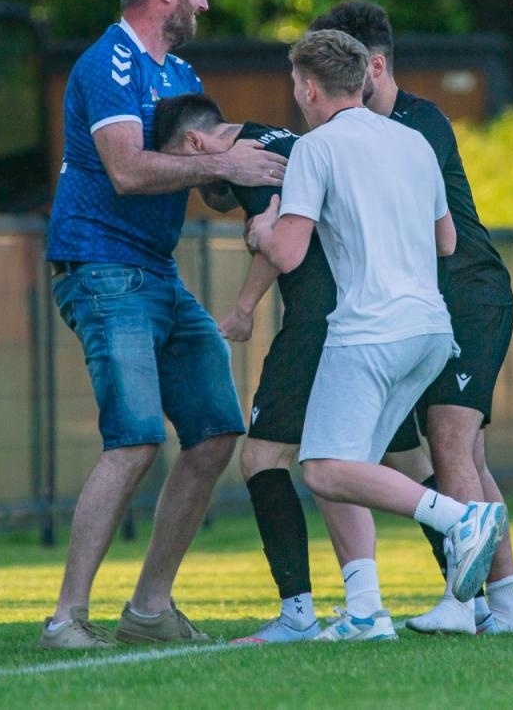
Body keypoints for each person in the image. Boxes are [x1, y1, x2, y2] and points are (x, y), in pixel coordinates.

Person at [39, 0, 285, 650]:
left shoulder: (178, 70)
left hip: (156, 270)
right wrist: (226, 161)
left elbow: (201, 170)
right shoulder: (108, 62)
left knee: (214, 430)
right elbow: (124, 169)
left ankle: (149, 608)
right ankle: (66, 617)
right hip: (101, 266)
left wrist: (254, 190)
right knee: (137, 437)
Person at [247, 29, 508, 642]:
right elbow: (447, 240)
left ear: (309, 87)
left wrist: (260, 227)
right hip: (429, 330)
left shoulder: (315, 149)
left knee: (322, 467)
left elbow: (287, 251)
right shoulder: (413, 141)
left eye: (295, 84)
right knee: (349, 461)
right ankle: (365, 612)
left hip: (367, 331)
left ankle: (460, 520)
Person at [308, 0, 513, 636]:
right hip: (434, 303)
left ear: (373, 66)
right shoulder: (361, 132)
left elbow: (438, 237)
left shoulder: (416, 124)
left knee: (451, 444)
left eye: (340, 71)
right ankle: (506, 603)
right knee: (464, 456)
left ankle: (465, 606)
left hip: (468, 292)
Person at [152, 92, 335, 644]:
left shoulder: (251, 160)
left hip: (319, 319)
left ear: (194, 145)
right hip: (371, 311)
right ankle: (473, 597)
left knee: (261, 458)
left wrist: (242, 310)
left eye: (184, 171)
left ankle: (298, 614)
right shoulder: (282, 136)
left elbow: (279, 249)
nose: (193, 185)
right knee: (393, 455)